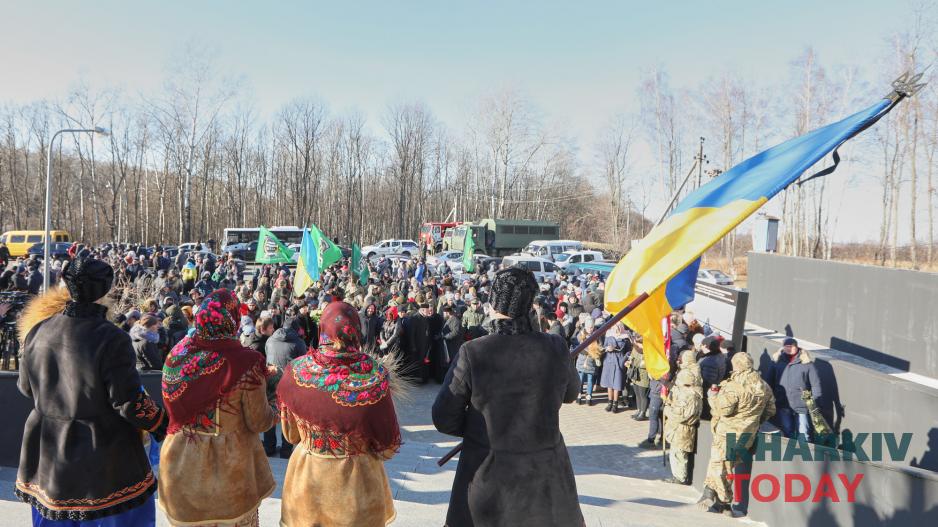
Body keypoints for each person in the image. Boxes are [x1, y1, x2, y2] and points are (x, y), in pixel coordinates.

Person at [15, 256, 167, 525]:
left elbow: (26, 388)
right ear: (104, 290)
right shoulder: (112, 338)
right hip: (103, 459)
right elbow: (129, 403)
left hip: (48, 456)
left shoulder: (38, 331)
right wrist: (162, 423)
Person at [432, 267, 584, 527]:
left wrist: (479, 430)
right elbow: (570, 393)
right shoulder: (556, 346)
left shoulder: (473, 352)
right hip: (546, 484)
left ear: (493, 303)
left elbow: (444, 417)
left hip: (489, 479)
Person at [277, 301, 402, 527]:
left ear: (322, 330)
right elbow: (387, 447)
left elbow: (290, 436)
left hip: (306, 482)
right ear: (356, 330)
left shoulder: (295, 371)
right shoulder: (374, 375)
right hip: (357, 489)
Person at [159, 290, 277, 527]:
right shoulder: (247, 362)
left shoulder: (177, 355)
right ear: (232, 319)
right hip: (229, 471)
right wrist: (276, 405)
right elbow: (259, 421)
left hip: (181, 465)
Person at [699, 352, 776, 516]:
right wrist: (754, 422)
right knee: (728, 466)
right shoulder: (763, 386)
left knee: (718, 464)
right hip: (747, 435)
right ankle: (722, 504)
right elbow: (770, 410)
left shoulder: (734, 386)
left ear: (737, 366)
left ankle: (714, 495)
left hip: (727, 433)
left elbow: (723, 409)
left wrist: (712, 396)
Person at [264, 317, 308, 457]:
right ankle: (285, 449)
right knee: (286, 414)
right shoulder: (298, 343)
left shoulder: (270, 340)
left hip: (271, 379)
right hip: (289, 382)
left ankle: (269, 447)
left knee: (271, 412)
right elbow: (303, 363)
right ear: (296, 329)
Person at [663, 349, 703, 485]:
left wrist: (667, 410)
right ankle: (678, 475)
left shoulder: (689, 395)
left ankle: (679, 477)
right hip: (679, 427)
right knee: (676, 452)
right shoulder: (689, 388)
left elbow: (681, 415)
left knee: (679, 452)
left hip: (683, 428)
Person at [770, 337, 822, 440]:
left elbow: (816, 385)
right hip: (783, 403)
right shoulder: (776, 362)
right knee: (787, 432)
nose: (789, 348)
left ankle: (805, 454)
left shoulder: (807, 363)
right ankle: (790, 453)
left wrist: (814, 401)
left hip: (802, 405)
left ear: (796, 347)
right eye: (787, 346)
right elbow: (769, 382)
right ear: (783, 347)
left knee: (804, 434)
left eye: (791, 346)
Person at [600, 323, 631, 413]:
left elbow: (628, 351)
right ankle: (609, 402)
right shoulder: (609, 335)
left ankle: (615, 404)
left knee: (617, 384)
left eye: (618, 327)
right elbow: (603, 347)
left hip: (619, 362)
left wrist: (624, 360)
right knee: (609, 383)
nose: (616, 329)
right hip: (609, 362)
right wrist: (607, 348)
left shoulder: (625, 337)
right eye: (615, 327)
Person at [573, 319, 602, 406]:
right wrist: (584, 350)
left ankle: (589, 396)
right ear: (586, 326)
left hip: (591, 360)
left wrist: (597, 351)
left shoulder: (597, 335)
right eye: (589, 327)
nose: (591, 329)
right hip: (582, 359)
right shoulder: (581, 334)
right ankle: (579, 394)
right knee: (580, 379)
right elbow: (575, 343)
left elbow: (600, 345)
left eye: (592, 327)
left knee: (590, 379)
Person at [627, 343, 650, 421]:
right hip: (635, 374)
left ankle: (643, 413)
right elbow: (631, 358)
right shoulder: (635, 348)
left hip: (644, 376)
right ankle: (639, 410)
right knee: (637, 394)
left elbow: (647, 364)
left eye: (639, 343)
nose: (638, 345)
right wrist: (629, 362)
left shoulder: (648, 350)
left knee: (643, 395)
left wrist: (637, 363)